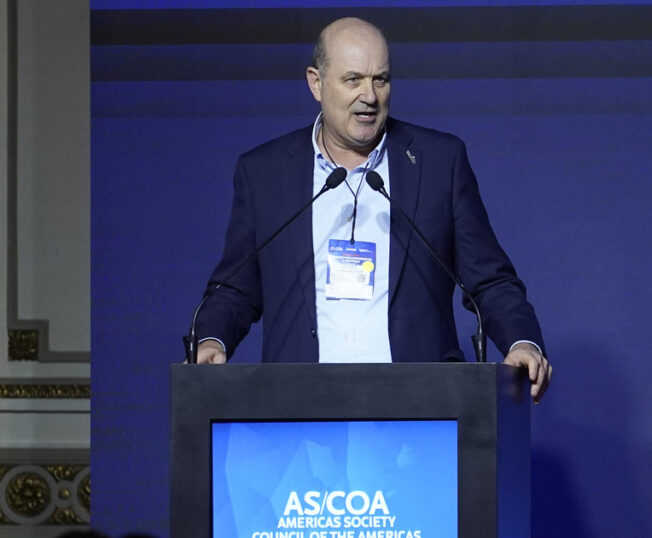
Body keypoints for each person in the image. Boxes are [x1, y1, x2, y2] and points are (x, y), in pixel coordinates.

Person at [193, 17, 551, 403]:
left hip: (419, 406)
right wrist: (212, 339)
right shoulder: (264, 172)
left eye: (380, 80)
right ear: (316, 83)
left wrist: (521, 341)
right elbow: (235, 287)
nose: (370, 96)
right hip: (300, 408)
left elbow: (489, 280)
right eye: (353, 80)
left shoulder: (438, 162)